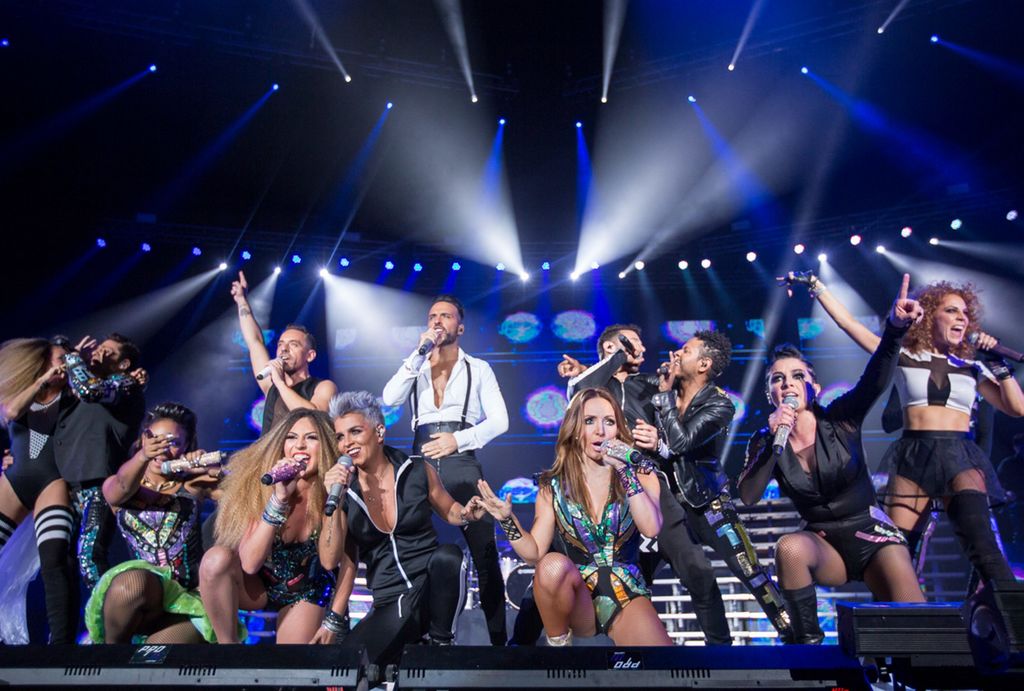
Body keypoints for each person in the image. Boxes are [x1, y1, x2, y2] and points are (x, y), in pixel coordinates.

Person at [780, 270, 1024, 588]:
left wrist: (999, 365)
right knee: (898, 552)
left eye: (965, 313)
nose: (961, 318)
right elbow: (849, 325)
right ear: (930, 316)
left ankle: (1008, 618)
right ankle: (902, 616)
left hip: (960, 455)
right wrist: (817, 286)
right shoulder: (906, 356)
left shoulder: (973, 368)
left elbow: (1016, 408)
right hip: (914, 457)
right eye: (952, 310)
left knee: (983, 546)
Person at [739, 275, 928, 643]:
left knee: (916, 622)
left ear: (815, 386)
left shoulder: (840, 418)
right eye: (777, 379)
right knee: (789, 547)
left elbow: (875, 378)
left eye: (797, 376)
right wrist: (771, 441)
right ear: (769, 394)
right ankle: (809, 649)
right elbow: (747, 495)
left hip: (872, 536)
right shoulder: (765, 439)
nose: (787, 383)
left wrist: (894, 330)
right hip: (824, 544)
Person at [477, 387, 671, 646]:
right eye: (590, 421)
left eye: (609, 422)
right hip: (577, 595)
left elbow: (651, 527)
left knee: (663, 666)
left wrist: (625, 471)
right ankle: (560, 648)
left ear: (618, 430)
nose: (600, 431)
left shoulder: (641, 475)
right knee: (551, 565)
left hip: (627, 593)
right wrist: (506, 520)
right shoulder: (552, 486)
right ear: (575, 429)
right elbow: (534, 553)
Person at [633, 330, 792, 640]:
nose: (676, 354)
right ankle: (717, 649)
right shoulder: (662, 387)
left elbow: (681, 442)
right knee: (692, 577)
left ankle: (793, 636)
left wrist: (664, 400)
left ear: (704, 364)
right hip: (665, 506)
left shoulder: (720, 405)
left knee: (750, 571)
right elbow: (626, 387)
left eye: (686, 350)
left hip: (708, 503)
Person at [381, 294, 509, 645]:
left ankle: (500, 645)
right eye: (432, 316)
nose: (438, 321)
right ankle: (418, 636)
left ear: (460, 327)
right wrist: (417, 354)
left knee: (484, 556)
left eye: (446, 316)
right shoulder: (416, 364)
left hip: (461, 461)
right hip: (420, 463)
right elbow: (389, 398)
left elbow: (500, 421)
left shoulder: (478, 368)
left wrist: (458, 440)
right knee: (415, 553)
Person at [329, 391, 485, 674]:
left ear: (379, 432)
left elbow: (450, 510)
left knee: (448, 556)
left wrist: (467, 514)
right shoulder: (344, 492)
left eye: (355, 432)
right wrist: (334, 501)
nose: (347, 442)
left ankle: (441, 645)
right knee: (343, 673)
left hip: (429, 591)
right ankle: (410, 654)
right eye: (340, 436)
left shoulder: (416, 469)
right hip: (389, 602)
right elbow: (334, 561)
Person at [84, 402, 236, 643]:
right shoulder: (119, 483)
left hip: (185, 603)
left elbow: (245, 496)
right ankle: (109, 659)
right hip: (140, 596)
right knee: (131, 582)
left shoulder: (193, 484)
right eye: (155, 440)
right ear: (143, 439)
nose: (162, 449)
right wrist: (143, 456)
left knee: (150, 661)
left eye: (173, 442)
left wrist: (214, 470)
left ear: (186, 445)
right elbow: (119, 488)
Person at [198, 408, 347, 643]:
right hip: (256, 587)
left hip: (306, 590)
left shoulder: (337, 488)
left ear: (326, 446)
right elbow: (250, 563)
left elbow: (331, 562)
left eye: (311, 438)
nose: (299, 445)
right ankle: (228, 650)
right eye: (291, 437)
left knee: (290, 661)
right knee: (215, 560)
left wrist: (334, 500)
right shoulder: (261, 486)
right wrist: (279, 499)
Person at [0, 337, 78, 643]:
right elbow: (10, 412)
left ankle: (60, 646)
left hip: (53, 481)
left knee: (54, 559)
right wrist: (42, 381)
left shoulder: (73, 398)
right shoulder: (26, 393)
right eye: (59, 359)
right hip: (16, 480)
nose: (63, 366)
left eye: (68, 360)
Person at [57, 332, 148, 590]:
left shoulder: (126, 384)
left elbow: (91, 390)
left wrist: (74, 359)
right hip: (63, 484)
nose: (100, 352)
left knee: (89, 557)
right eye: (100, 347)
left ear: (124, 364)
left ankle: (111, 612)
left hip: (98, 486)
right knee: (59, 562)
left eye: (110, 352)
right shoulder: (73, 390)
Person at [230, 271, 337, 433]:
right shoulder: (271, 386)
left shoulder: (323, 387)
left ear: (310, 355)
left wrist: (280, 383)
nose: (284, 349)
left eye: (293, 344)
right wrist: (241, 301)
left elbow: (313, 419)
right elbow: (255, 341)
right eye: (281, 344)